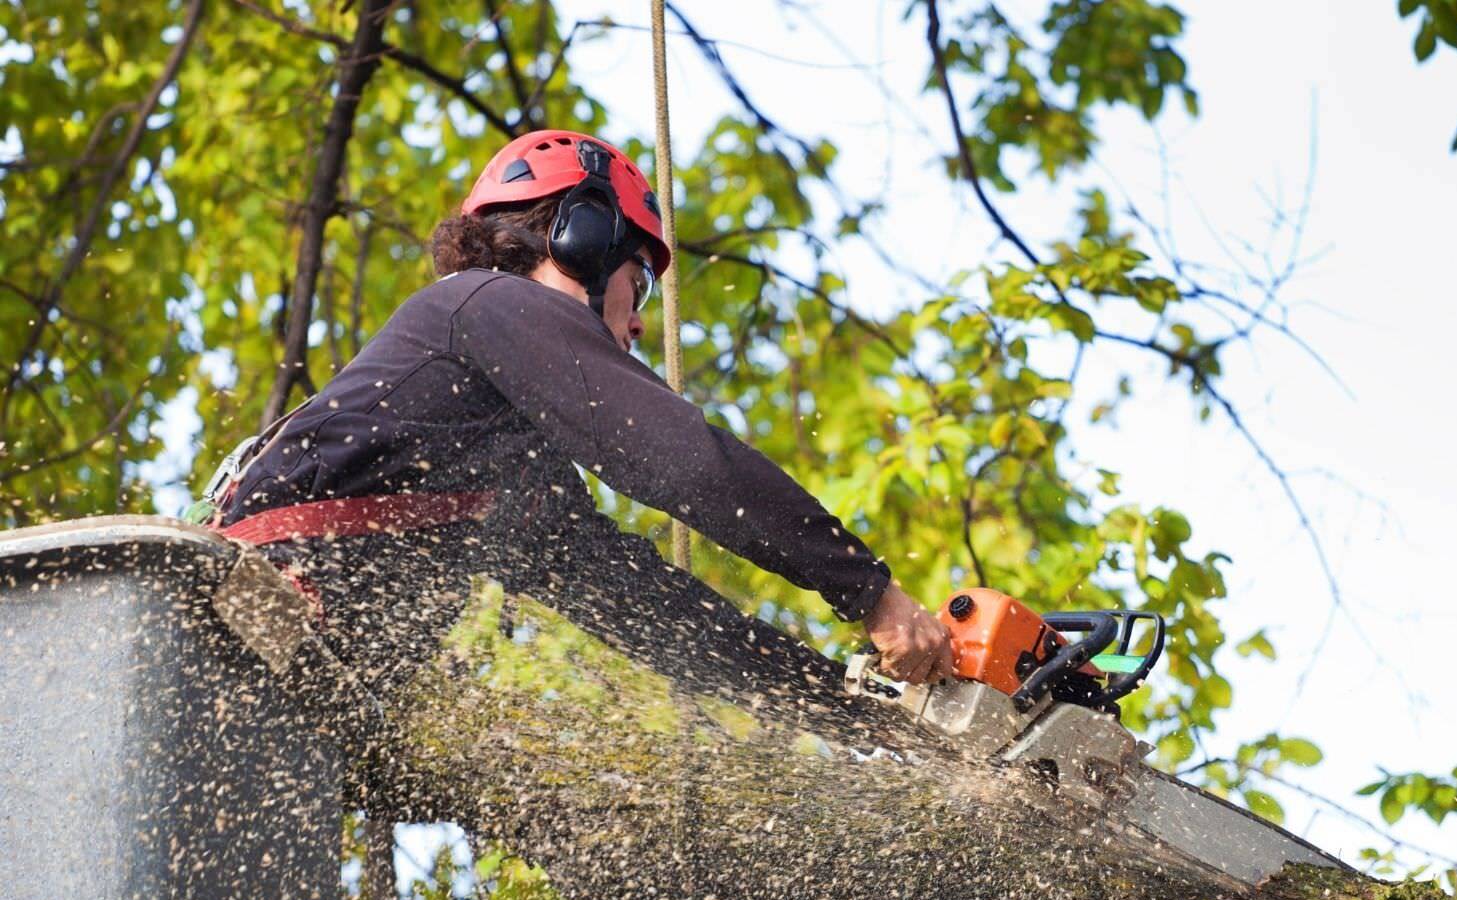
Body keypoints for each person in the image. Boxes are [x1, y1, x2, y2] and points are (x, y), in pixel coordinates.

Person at [213, 129, 953, 687]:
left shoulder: (511, 466)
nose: (638, 323)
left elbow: (649, 612)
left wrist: (849, 703)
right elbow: (686, 463)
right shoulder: (485, 303)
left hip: (289, 682)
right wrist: (870, 591)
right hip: (241, 625)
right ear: (584, 239)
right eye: (641, 281)